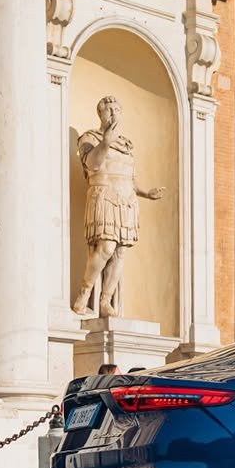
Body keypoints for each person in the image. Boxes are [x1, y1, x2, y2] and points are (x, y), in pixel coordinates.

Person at [71, 96, 163, 318]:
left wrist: (146, 193)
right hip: (104, 196)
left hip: (126, 201)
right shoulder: (90, 138)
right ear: (100, 114)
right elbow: (92, 164)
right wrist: (105, 142)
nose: (113, 114)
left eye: (116, 110)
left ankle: (105, 300)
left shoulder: (126, 144)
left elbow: (130, 178)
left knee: (120, 251)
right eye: (108, 110)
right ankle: (84, 292)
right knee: (106, 248)